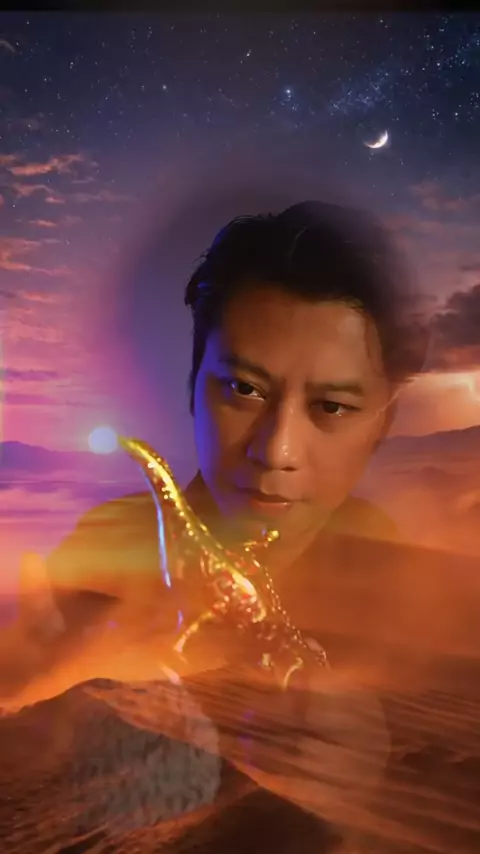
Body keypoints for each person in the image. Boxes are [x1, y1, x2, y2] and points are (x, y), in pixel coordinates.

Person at [3, 201, 478, 854]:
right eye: (244, 391)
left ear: (382, 426)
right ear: (193, 386)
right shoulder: (100, 550)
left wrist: (365, 797)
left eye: (332, 406)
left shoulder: (397, 576)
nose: (276, 450)